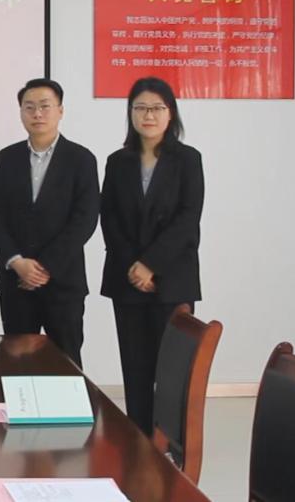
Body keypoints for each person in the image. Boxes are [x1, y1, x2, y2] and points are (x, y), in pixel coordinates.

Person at [100, 76, 205, 436]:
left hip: (172, 280)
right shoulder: (117, 162)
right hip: (127, 280)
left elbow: (188, 218)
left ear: (171, 113)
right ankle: (140, 441)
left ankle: (173, 445)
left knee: (174, 371)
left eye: (157, 108)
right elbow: (109, 218)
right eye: (141, 108)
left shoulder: (188, 160)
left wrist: (151, 265)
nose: (148, 115)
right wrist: (134, 267)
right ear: (130, 113)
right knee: (136, 369)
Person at [0, 78, 99, 367]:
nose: (37, 113)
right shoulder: (6, 158)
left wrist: (44, 267)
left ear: (60, 111)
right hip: (15, 282)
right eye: (29, 107)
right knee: (15, 363)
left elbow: (85, 219)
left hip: (63, 283)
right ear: (21, 112)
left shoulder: (81, 159)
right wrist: (17, 262)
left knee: (66, 362)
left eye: (45, 106)